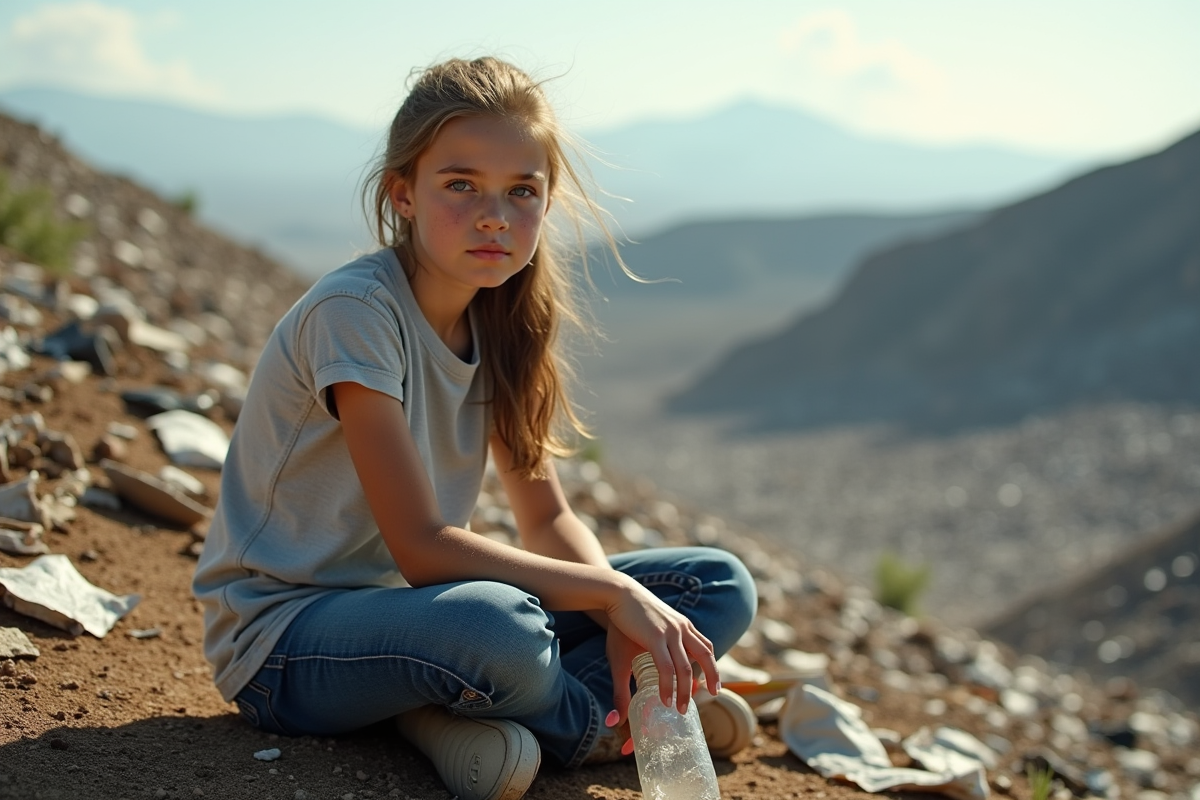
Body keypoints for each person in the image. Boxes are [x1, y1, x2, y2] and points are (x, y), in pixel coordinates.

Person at [192, 56, 757, 800]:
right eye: (460, 184)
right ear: (403, 193)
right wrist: (613, 600)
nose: (494, 215)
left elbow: (547, 516)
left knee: (712, 583)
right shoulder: (356, 314)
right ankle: (611, 725)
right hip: (287, 643)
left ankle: (475, 714)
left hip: (421, 620)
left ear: (545, 205)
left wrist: (619, 601)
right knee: (503, 630)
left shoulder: (502, 321)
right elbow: (422, 549)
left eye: (521, 191)